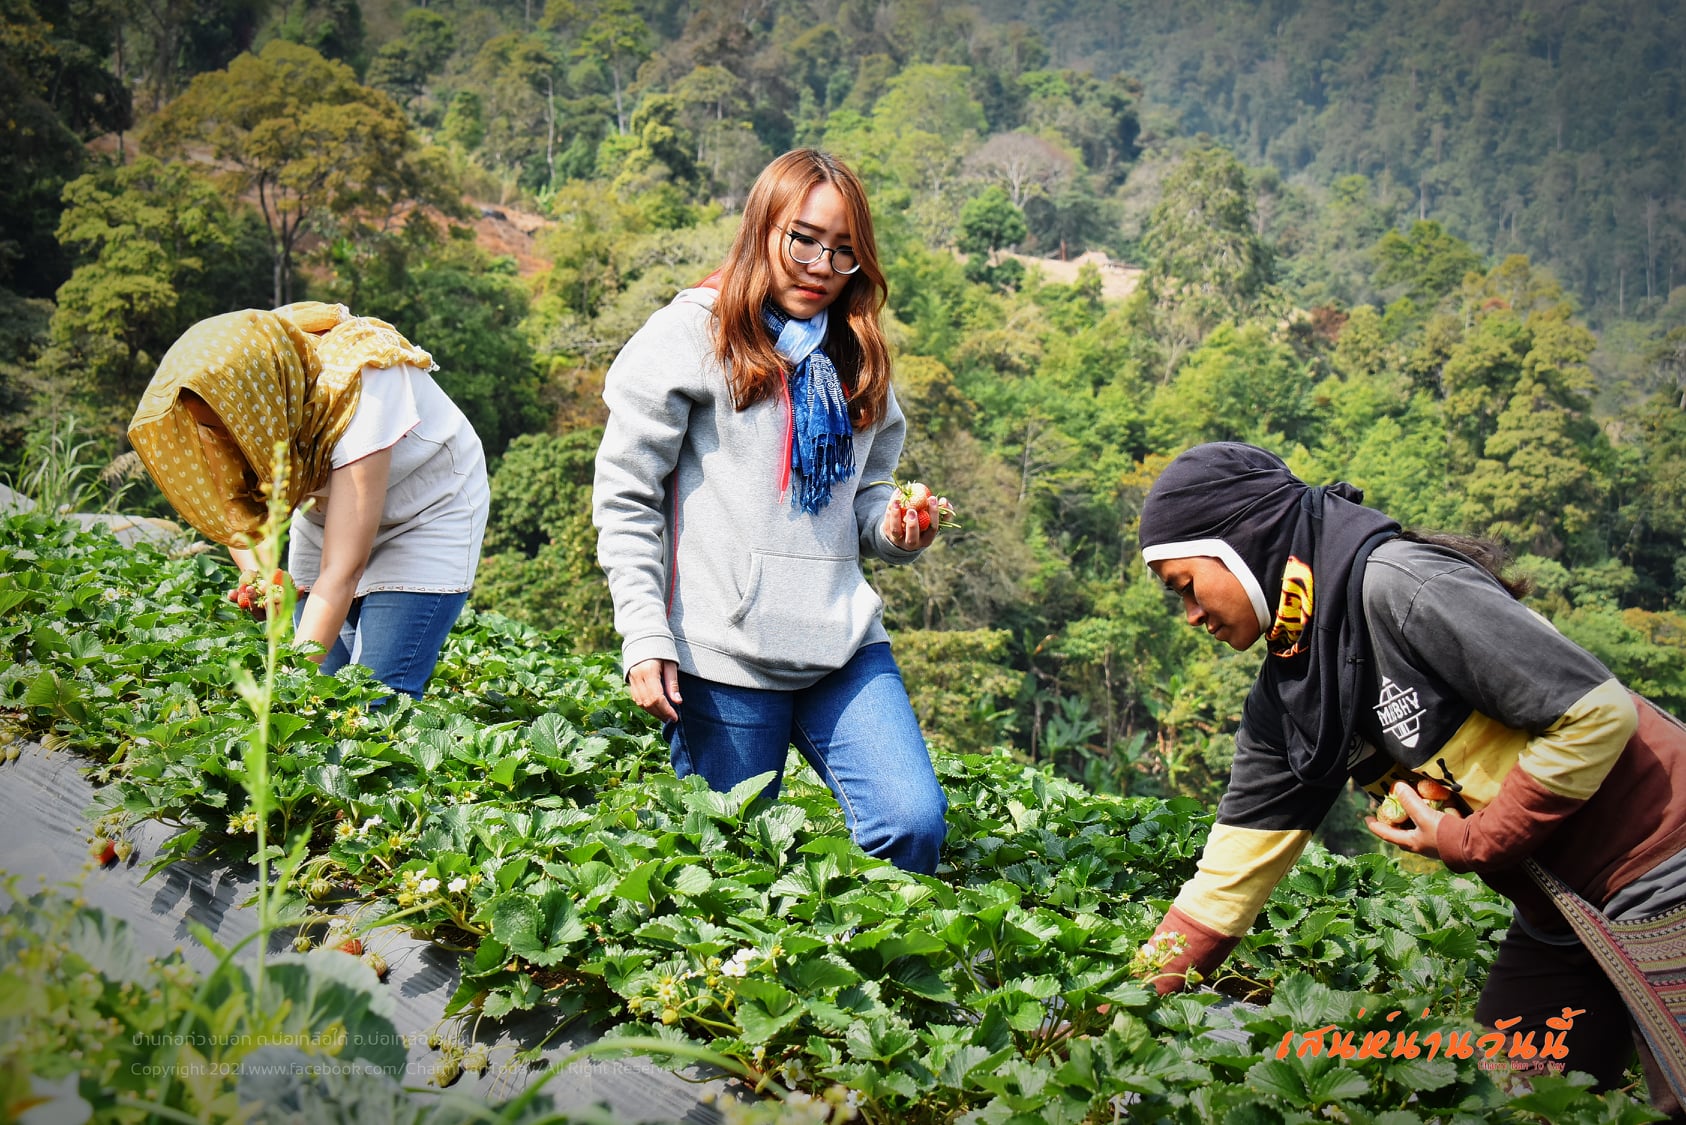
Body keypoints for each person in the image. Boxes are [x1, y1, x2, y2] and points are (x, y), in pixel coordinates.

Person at [1133, 441, 1686, 1113]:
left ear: (1242, 541)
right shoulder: (1292, 693)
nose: (1190, 614)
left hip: (1662, 859)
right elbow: (1226, 881)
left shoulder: (1396, 585)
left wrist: (1476, 839)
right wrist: (1118, 1002)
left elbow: (1597, 714)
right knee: (1505, 1104)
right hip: (1558, 910)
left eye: (1186, 586)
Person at [592, 149, 949, 874]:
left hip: (839, 643)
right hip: (722, 653)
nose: (822, 263)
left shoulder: (856, 354)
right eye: (805, 239)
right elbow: (627, 493)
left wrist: (897, 529)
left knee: (912, 823)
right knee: (730, 873)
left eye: (845, 250)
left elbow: (866, 496)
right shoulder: (693, 333)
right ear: (764, 227)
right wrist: (643, 635)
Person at [128, 301, 488, 700]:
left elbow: (341, 571)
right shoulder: (255, 376)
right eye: (208, 428)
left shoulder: (360, 384)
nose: (222, 440)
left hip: (428, 515)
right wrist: (260, 578)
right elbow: (242, 507)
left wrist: (282, 696)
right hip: (330, 514)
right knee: (326, 682)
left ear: (255, 405)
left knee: (377, 695)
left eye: (223, 428)